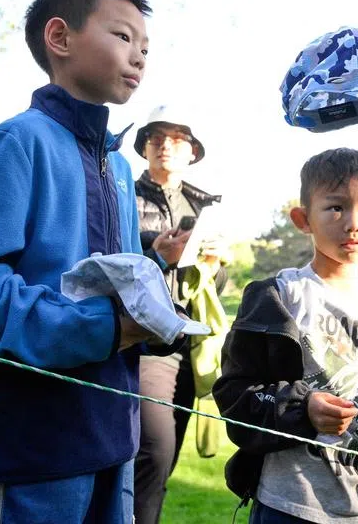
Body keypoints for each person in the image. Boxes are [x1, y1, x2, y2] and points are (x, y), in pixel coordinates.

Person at [0, 0, 170, 523]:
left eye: (147, 47)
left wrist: (152, 319)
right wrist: (98, 328)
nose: (140, 57)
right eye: (124, 37)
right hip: (29, 447)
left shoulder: (122, 167)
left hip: (112, 440)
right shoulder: (17, 143)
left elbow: (123, 285)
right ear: (60, 38)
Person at [214, 148, 358, 524]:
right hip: (287, 505)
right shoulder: (276, 297)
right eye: (335, 208)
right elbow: (235, 397)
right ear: (303, 219)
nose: (353, 223)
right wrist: (302, 410)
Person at [132, 104, 226, 524]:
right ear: (145, 148)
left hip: (191, 346)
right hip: (143, 340)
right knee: (155, 450)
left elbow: (215, 285)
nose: (164, 146)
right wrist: (156, 252)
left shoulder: (207, 207)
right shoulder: (122, 195)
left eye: (176, 138)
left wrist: (213, 266)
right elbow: (108, 263)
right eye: (156, 137)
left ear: (192, 151)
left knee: (161, 462)